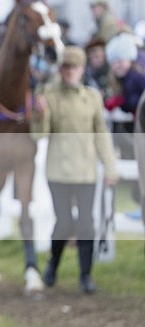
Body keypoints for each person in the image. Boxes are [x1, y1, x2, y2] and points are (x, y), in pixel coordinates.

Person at [31, 45, 119, 294]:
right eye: (66, 67)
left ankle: (85, 276)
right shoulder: (48, 94)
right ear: (61, 69)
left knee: (86, 225)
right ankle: (52, 267)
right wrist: (40, 115)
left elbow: (101, 133)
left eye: (75, 67)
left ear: (82, 69)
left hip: (86, 171)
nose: (70, 72)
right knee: (64, 222)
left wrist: (110, 167)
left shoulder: (92, 97)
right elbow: (40, 136)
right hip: (58, 170)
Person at [104, 32, 145, 160]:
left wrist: (121, 102)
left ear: (130, 59)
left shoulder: (136, 76)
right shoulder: (126, 77)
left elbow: (137, 101)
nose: (117, 66)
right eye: (113, 62)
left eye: (120, 61)